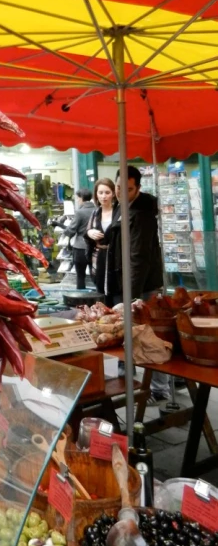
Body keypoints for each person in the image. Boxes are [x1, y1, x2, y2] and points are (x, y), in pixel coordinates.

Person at [115, 165, 168, 403]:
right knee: (129, 334)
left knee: (149, 337)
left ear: (137, 188)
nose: (120, 193)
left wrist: (132, 294)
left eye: (127, 189)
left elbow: (139, 256)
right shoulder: (124, 207)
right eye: (118, 187)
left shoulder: (142, 213)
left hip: (142, 284)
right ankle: (130, 383)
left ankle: (158, 388)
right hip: (129, 281)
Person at [85, 178, 121, 306]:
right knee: (100, 295)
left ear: (113, 193)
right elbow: (87, 231)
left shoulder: (120, 211)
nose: (103, 196)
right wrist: (89, 233)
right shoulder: (95, 213)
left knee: (117, 295)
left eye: (107, 192)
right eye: (100, 193)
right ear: (96, 194)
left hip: (116, 258)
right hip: (99, 258)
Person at [64, 188, 96, 290]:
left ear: (81, 198)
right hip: (95, 247)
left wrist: (64, 229)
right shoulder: (97, 210)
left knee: (80, 277)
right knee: (95, 276)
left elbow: (71, 231)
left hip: (81, 248)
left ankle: (81, 301)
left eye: (77, 198)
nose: (77, 200)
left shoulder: (80, 212)